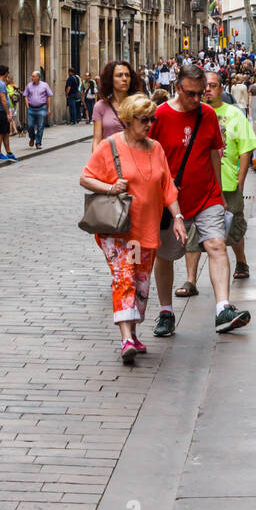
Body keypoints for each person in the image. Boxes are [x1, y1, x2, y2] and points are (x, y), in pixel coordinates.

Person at [81, 94, 185, 365]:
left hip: (146, 229)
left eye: (152, 119)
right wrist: (110, 187)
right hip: (118, 230)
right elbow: (86, 177)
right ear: (128, 120)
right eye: (143, 119)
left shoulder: (156, 148)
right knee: (124, 278)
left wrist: (178, 217)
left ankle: (134, 334)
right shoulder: (110, 145)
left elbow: (168, 188)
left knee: (140, 282)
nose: (149, 124)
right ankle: (126, 337)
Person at [150, 62, 251, 337]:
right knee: (165, 256)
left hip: (207, 197)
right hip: (171, 202)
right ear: (178, 88)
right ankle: (166, 312)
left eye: (200, 93)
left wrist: (219, 195)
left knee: (217, 245)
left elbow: (213, 155)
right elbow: (150, 159)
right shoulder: (159, 116)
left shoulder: (207, 115)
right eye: (190, 93)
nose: (197, 99)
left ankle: (223, 309)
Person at [178, 72, 256, 293]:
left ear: (222, 88)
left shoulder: (234, 114)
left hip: (228, 184)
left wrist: (240, 183)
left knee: (233, 229)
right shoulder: (193, 115)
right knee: (194, 232)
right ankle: (191, 280)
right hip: (199, 185)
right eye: (206, 86)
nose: (208, 90)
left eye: (213, 86)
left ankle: (241, 261)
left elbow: (245, 150)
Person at [91, 60, 146, 154]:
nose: (124, 79)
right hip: (110, 161)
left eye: (127, 75)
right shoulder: (100, 106)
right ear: (110, 79)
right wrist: (95, 163)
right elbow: (97, 140)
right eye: (119, 75)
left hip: (134, 158)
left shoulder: (139, 104)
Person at [23, 70, 53, 149]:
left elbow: (49, 96)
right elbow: (25, 95)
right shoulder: (29, 85)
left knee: (40, 126)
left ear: (38, 77)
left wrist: (49, 108)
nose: (32, 78)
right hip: (31, 108)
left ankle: (38, 142)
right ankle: (32, 138)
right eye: (32, 76)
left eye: (33, 76)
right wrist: (27, 106)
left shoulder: (45, 85)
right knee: (30, 125)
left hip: (42, 108)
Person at [0, 66, 17, 160]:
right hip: (0, 111)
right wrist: (8, 113)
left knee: (6, 132)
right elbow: (3, 100)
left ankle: (8, 152)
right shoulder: (1, 84)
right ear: (6, 73)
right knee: (0, 132)